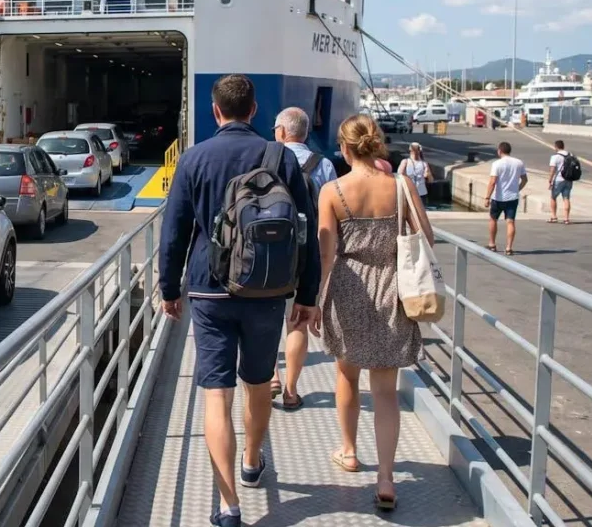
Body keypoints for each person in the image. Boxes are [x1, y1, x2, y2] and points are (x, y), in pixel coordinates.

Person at [158, 75, 321, 527]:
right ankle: (252, 461)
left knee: (216, 393)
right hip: (268, 289)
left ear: (216, 112)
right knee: (257, 381)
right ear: (253, 111)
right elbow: (304, 229)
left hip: (209, 289)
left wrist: (169, 289)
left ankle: (228, 506)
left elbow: (174, 233)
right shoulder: (281, 158)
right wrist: (307, 294)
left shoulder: (194, 158)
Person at [316, 113, 432, 512]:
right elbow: (425, 238)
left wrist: (316, 301)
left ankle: (348, 451)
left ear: (344, 148)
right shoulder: (401, 185)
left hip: (349, 287)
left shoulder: (332, 190)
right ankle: (386, 477)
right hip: (394, 288)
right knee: (385, 389)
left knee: (347, 375)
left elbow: (327, 253)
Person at [269, 106, 337, 411]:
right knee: (297, 323)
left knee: (267, 317)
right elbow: (329, 222)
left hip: (270, 254)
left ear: (282, 132)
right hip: (306, 255)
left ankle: (272, 374)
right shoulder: (323, 166)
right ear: (305, 132)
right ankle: (292, 391)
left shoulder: (266, 160)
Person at [484, 142, 527, 255]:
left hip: (498, 197)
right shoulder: (519, 163)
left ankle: (492, 244)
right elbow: (525, 179)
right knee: (510, 222)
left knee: (493, 219)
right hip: (512, 197)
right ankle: (508, 248)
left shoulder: (497, 164)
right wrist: (517, 189)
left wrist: (487, 197)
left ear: (499, 151)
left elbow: (493, 182)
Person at [547, 140, 573, 225]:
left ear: (556, 147)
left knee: (553, 197)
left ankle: (554, 216)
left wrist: (550, 179)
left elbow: (552, 169)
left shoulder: (555, 157)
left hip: (558, 179)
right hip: (569, 179)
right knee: (566, 198)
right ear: (563, 146)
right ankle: (566, 218)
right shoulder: (570, 155)